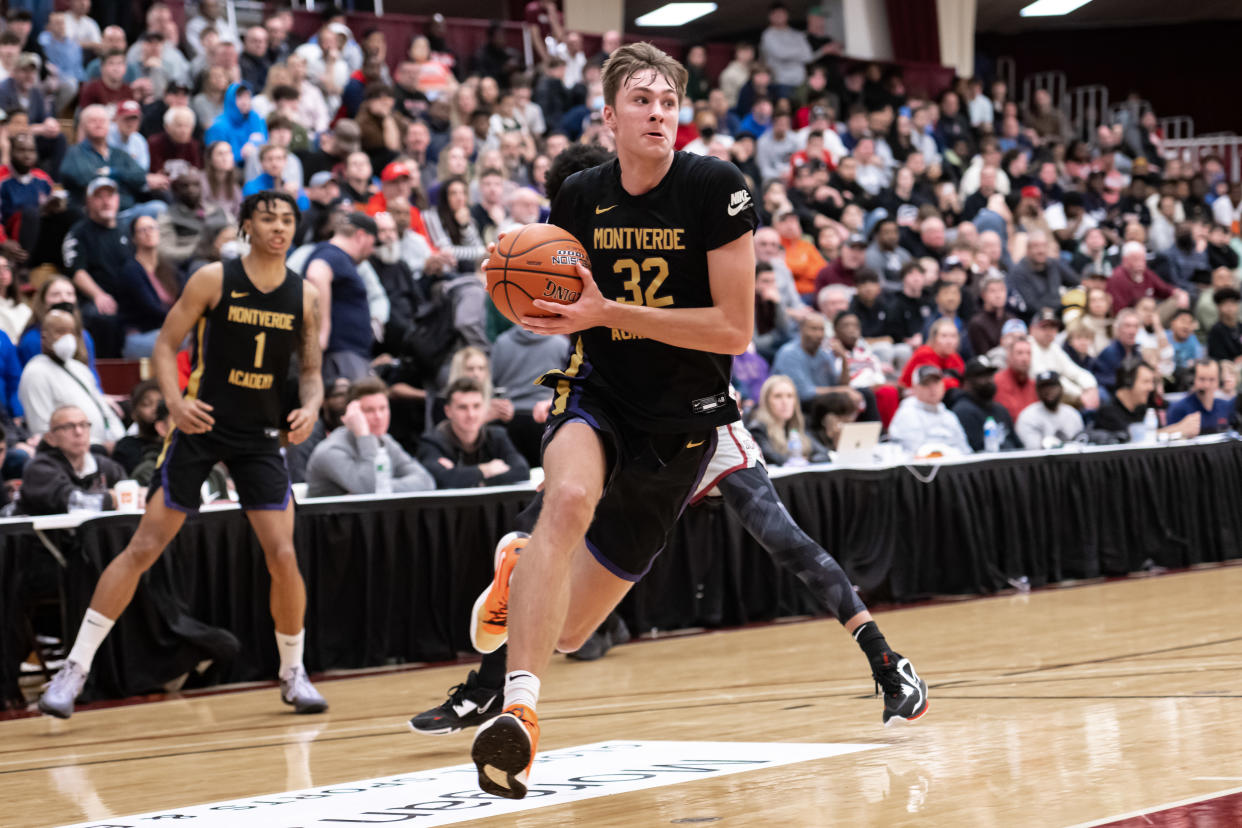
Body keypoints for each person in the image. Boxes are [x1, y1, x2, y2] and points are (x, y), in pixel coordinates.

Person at [461, 43, 751, 800]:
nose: (658, 113)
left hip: (683, 422)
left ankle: (518, 564)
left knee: (570, 631)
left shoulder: (716, 187)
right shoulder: (582, 196)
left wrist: (607, 311)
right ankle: (519, 716)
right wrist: (534, 300)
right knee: (567, 501)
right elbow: (564, 309)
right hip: (599, 392)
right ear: (610, 116)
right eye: (642, 101)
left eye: (668, 102)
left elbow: (734, 330)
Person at [36, 191, 329, 720]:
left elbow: (310, 372)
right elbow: (165, 346)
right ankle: (73, 669)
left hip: (261, 434)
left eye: (287, 220)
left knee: (283, 555)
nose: (279, 228)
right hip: (202, 427)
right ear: (246, 226)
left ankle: (293, 671)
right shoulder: (214, 279)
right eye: (268, 219)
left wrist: (311, 407)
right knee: (145, 544)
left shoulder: (305, 295)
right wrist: (175, 402)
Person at [305, 376, 434, 496]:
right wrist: (364, 436)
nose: (378, 417)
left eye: (383, 408)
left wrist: (384, 487)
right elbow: (369, 491)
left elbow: (426, 481)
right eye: (369, 410)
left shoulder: (385, 441)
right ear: (352, 413)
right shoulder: (330, 451)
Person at [17, 308, 124, 446]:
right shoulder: (35, 372)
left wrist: (119, 440)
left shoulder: (80, 368)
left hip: (106, 445)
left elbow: (104, 410)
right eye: (60, 332)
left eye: (72, 332)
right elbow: (42, 429)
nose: (68, 338)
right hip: (71, 451)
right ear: (44, 337)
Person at [303, 211, 378, 383]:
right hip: (340, 356)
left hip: (347, 354)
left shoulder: (336, 256)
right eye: (373, 244)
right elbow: (316, 274)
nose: (372, 251)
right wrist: (322, 331)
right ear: (361, 236)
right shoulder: (332, 254)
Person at [417, 376, 529, 489]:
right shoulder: (432, 442)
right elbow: (441, 480)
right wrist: (485, 469)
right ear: (448, 411)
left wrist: (471, 479)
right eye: (462, 407)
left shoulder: (497, 436)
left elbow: (522, 471)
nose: (471, 414)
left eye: (476, 406)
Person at [18, 404, 125, 515]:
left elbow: (130, 492)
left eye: (83, 425)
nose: (79, 432)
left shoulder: (106, 465)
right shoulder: (39, 468)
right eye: (68, 427)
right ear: (50, 438)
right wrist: (111, 499)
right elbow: (70, 502)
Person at [1094, 359, 1199, 442]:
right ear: (1128, 383)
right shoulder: (1107, 413)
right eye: (1146, 382)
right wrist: (1177, 429)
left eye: (1152, 382)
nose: (1151, 388)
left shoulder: (1145, 406)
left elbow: (1170, 407)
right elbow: (1132, 441)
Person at [888, 364, 972, 455]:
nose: (932, 388)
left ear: (942, 385)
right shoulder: (907, 414)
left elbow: (965, 450)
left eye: (936, 382)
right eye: (926, 384)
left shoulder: (949, 415)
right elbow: (915, 454)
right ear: (915, 388)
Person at [747, 374, 828, 465]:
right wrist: (800, 461)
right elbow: (772, 458)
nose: (785, 402)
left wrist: (807, 460)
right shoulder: (758, 429)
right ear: (766, 401)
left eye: (790, 396)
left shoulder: (795, 427)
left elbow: (823, 454)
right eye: (778, 396)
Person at [950, 356, 1021, 452]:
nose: (989, 380)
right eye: (982, 376)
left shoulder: (1000, 409)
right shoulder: (963, 411)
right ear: (967, 382)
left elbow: (1018, 445)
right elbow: (978, 451)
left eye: (990, 375)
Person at [1015, 371, 1085, 449]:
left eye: (1052, 386)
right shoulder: (1028, 416)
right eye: (1044, 387)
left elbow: (1081, 444)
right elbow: (1034, 451)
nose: (1048, 391)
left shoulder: (1073, 414)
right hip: (1041, 460)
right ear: (1037, 391)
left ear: (1061, 388)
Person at [1166, 359, 1232, 434]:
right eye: (1202, 379)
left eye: (1212, 379)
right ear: (1192, 380)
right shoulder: (1178, 408)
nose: (1206, 385)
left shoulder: (1225, 406)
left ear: (1219, 382)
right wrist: (1179, 428)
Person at [993, 337, 1038, 422]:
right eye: (1019, 353)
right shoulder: (997, 382)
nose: (1025, 358)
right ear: (1009, 356)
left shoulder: (1034, 385)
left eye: (1028, 353)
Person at [1207, 287, 1242, 363]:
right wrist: (1235, 361)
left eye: (1233, 302)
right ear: (1218, 307)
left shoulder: (1240, 326)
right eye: (1225, 303)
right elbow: (1216, 358)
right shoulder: (1216, 331)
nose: (1229, 307)